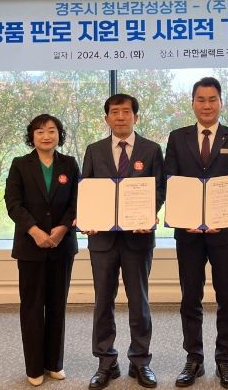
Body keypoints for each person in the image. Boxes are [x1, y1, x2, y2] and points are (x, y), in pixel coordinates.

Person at [164, 77, 228, 389]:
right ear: (192, 103)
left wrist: (220, 213)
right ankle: (194, 358)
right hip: (188, 232)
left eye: (212, 99)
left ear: (221, 102)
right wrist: (185, 214)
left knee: (227, 296)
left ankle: (225, 359)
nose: (206, 105)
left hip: (224, 231)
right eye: (200, 99)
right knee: (191, 296)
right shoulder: (177, 138)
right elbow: (170, 179)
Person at [81, 94, 166, 390]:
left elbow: (159, 189)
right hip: (102, 240)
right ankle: (106, 362)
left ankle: (140, 361)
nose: (120, 117)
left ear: (135, 117)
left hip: (137, 239)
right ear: (106, 118)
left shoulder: (151, 149)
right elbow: (86, 189)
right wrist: (87, 218)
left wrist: (150, 213)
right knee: (103, 301)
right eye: (114, 112)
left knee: (139, 302)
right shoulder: (94, 150)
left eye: (126, 112)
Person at [5, 114, 80, 387]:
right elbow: (13, 203)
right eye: (40, 132)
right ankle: (35, 367)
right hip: (30, 246)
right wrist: (35, 231)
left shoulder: (69, 164)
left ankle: (54, 363)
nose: (46, 136)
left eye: (51, 131)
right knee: (33, 307)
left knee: (57, 305)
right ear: (32, 136)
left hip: (62, 245)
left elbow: (77, 200)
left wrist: (62, 228)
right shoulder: (20, 164)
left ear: (59, 134)